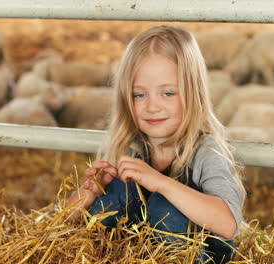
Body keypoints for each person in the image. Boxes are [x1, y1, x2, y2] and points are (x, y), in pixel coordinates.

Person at [67, 25, 245, 263]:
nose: (152, 107)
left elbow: (229, 224)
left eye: (168, 93)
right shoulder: (133, 148)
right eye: (139, 95)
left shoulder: (205, 152)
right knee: (121, 190)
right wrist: (90, 194)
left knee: (165, 207)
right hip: (139, 254)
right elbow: (62, 225)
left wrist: (160, 182)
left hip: (195, 255)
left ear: (194, 93)